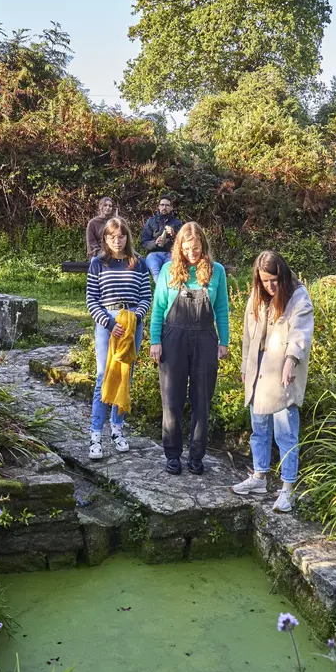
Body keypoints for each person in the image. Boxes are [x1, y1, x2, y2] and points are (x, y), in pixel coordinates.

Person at [231, 251, 314, 512]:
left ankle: (288, 488)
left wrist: (291, 360)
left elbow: (300, 333)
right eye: (265, 281)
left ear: (283, 275)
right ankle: (259, 477)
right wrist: (245, 365)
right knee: (259, 428)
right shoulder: (257, 297)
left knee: (286, 432)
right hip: (258, 373)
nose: (270, 286)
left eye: (274, 280)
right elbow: (248, 335)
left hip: (281, 374)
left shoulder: (298, 296)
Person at [149, 222, 230, 475]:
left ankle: (196, 456)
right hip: (172, 337)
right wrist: (155, 341)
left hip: (206, 339)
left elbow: (222, 310)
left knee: (201, 401)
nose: (191, 253)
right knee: (171, 400)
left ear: (203, 246)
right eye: (186, 249)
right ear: (179, 248)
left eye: (196, 248)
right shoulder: (168, 270)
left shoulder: (216, 272)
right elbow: (159, 308)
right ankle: (172, 454)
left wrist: (224, 341)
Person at [86, 218, 150, 460]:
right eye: (112, 236)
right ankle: (95, 434)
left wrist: (134, 318)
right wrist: (110, 323)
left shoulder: (139, 263)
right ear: (105, 238)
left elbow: (146, 296)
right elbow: (92, 300)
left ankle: (117, 429)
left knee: (125, 377)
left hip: (132, 323)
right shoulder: (97, 264)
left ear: (127, 237)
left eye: (121, 236)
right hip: (107, 325)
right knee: (104, 376)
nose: (117, 240)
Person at [139, 194, 182, 282]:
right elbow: (144, 242)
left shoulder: (177, 223)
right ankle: (161, 291)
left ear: (171, 208)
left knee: (169, 273)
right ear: (158, 207)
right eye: (162, 205)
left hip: (170, 254)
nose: (164, 207)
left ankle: (166, 291)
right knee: (156, 272)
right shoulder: (151, 221)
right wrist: (155, 242)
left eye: (167, 205)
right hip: (153, 254)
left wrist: (174, 234)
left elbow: (182, 242)